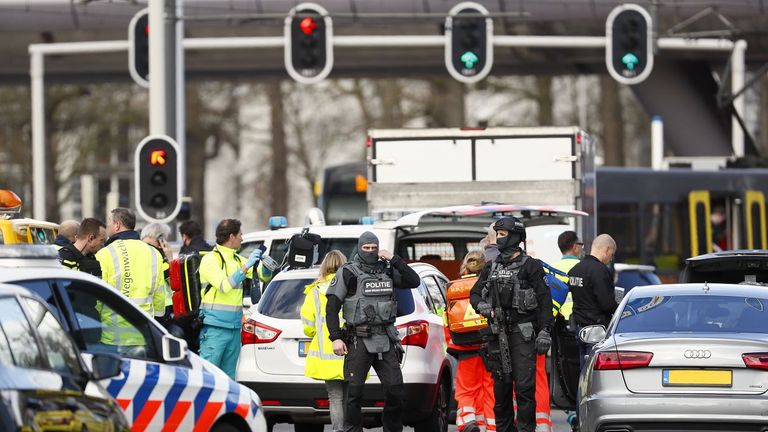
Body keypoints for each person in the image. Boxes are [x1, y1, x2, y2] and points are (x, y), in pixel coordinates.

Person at [325, 231, 421, 432]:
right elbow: (332, 308)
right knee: (354, 393)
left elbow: (414, 281)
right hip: (358, 339)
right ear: (359, 248)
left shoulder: (386, 270)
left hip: (385, 339)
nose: (370, 251)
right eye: (366, 248)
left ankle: (392, 429)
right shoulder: (348, 272)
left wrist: (394, 259)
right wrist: (335, 338)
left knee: (395, 389)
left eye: (373, 248)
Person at [470, 217, 554, 432]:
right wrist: (482, 306)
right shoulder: (491, 266)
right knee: (501, 389)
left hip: (523, 333)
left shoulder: (531, 266)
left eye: (503, 234)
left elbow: (545, 301)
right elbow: (475, 293)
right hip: (498, 334)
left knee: (525, 388)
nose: (498, 238)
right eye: (497, 234)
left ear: (516, 237)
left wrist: (545, 331)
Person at [95, 208, 166, 355]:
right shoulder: (154, 253)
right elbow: (159, 294)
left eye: (109, 223)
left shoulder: (104, 254)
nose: (107, 227)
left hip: (113, 337)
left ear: (117, 225)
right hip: (144, 334)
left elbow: (98, 299)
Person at [198, 218, 263, 379]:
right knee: (209, 377)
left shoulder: (237, 259)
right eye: (240, 234)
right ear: (231, 236)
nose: (242, 238)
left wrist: (267, 265)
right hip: (215, 329)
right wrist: (247, 266)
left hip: (234, 329)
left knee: (229, 379)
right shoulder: (210, 259)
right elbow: (224, 285)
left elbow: (263, 275)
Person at [300, 250, 348, 432]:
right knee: (350, 396)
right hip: (351, 349)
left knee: (335, 396)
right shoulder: (351, 286)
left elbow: (308, 324)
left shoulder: (314, 291)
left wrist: (316, 332)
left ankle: (338, 430)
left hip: (326, 353)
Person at [448, 251, 495, 432]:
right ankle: (491, 426)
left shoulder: (455, 286)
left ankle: (468, 421)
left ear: (465, 265)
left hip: (464, 346)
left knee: (467, 389)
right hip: (488, 344)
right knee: (490, 389)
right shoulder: (490, 284)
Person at [567, 233, 618, 367]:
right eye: (611, 254)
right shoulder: (600, 270)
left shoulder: (574, 270)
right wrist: (618, 306)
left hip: (579, 328)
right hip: (596, 331)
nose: (610, 259)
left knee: (583, 372)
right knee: (594, 374)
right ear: (607, 249)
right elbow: (606, 304)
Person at [141, 222, 174, 320]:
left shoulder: (141, 252)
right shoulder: (159, 257)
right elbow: (173, 283)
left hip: (146, 305)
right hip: (160, 308)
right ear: (161, 241)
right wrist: (170, 259)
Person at [553, 231, 583, 321]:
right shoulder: (584, 267)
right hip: (580, 320)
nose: (582, 248)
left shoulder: (552, 269)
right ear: (575, 247)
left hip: (558, 320)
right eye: (581, 245)